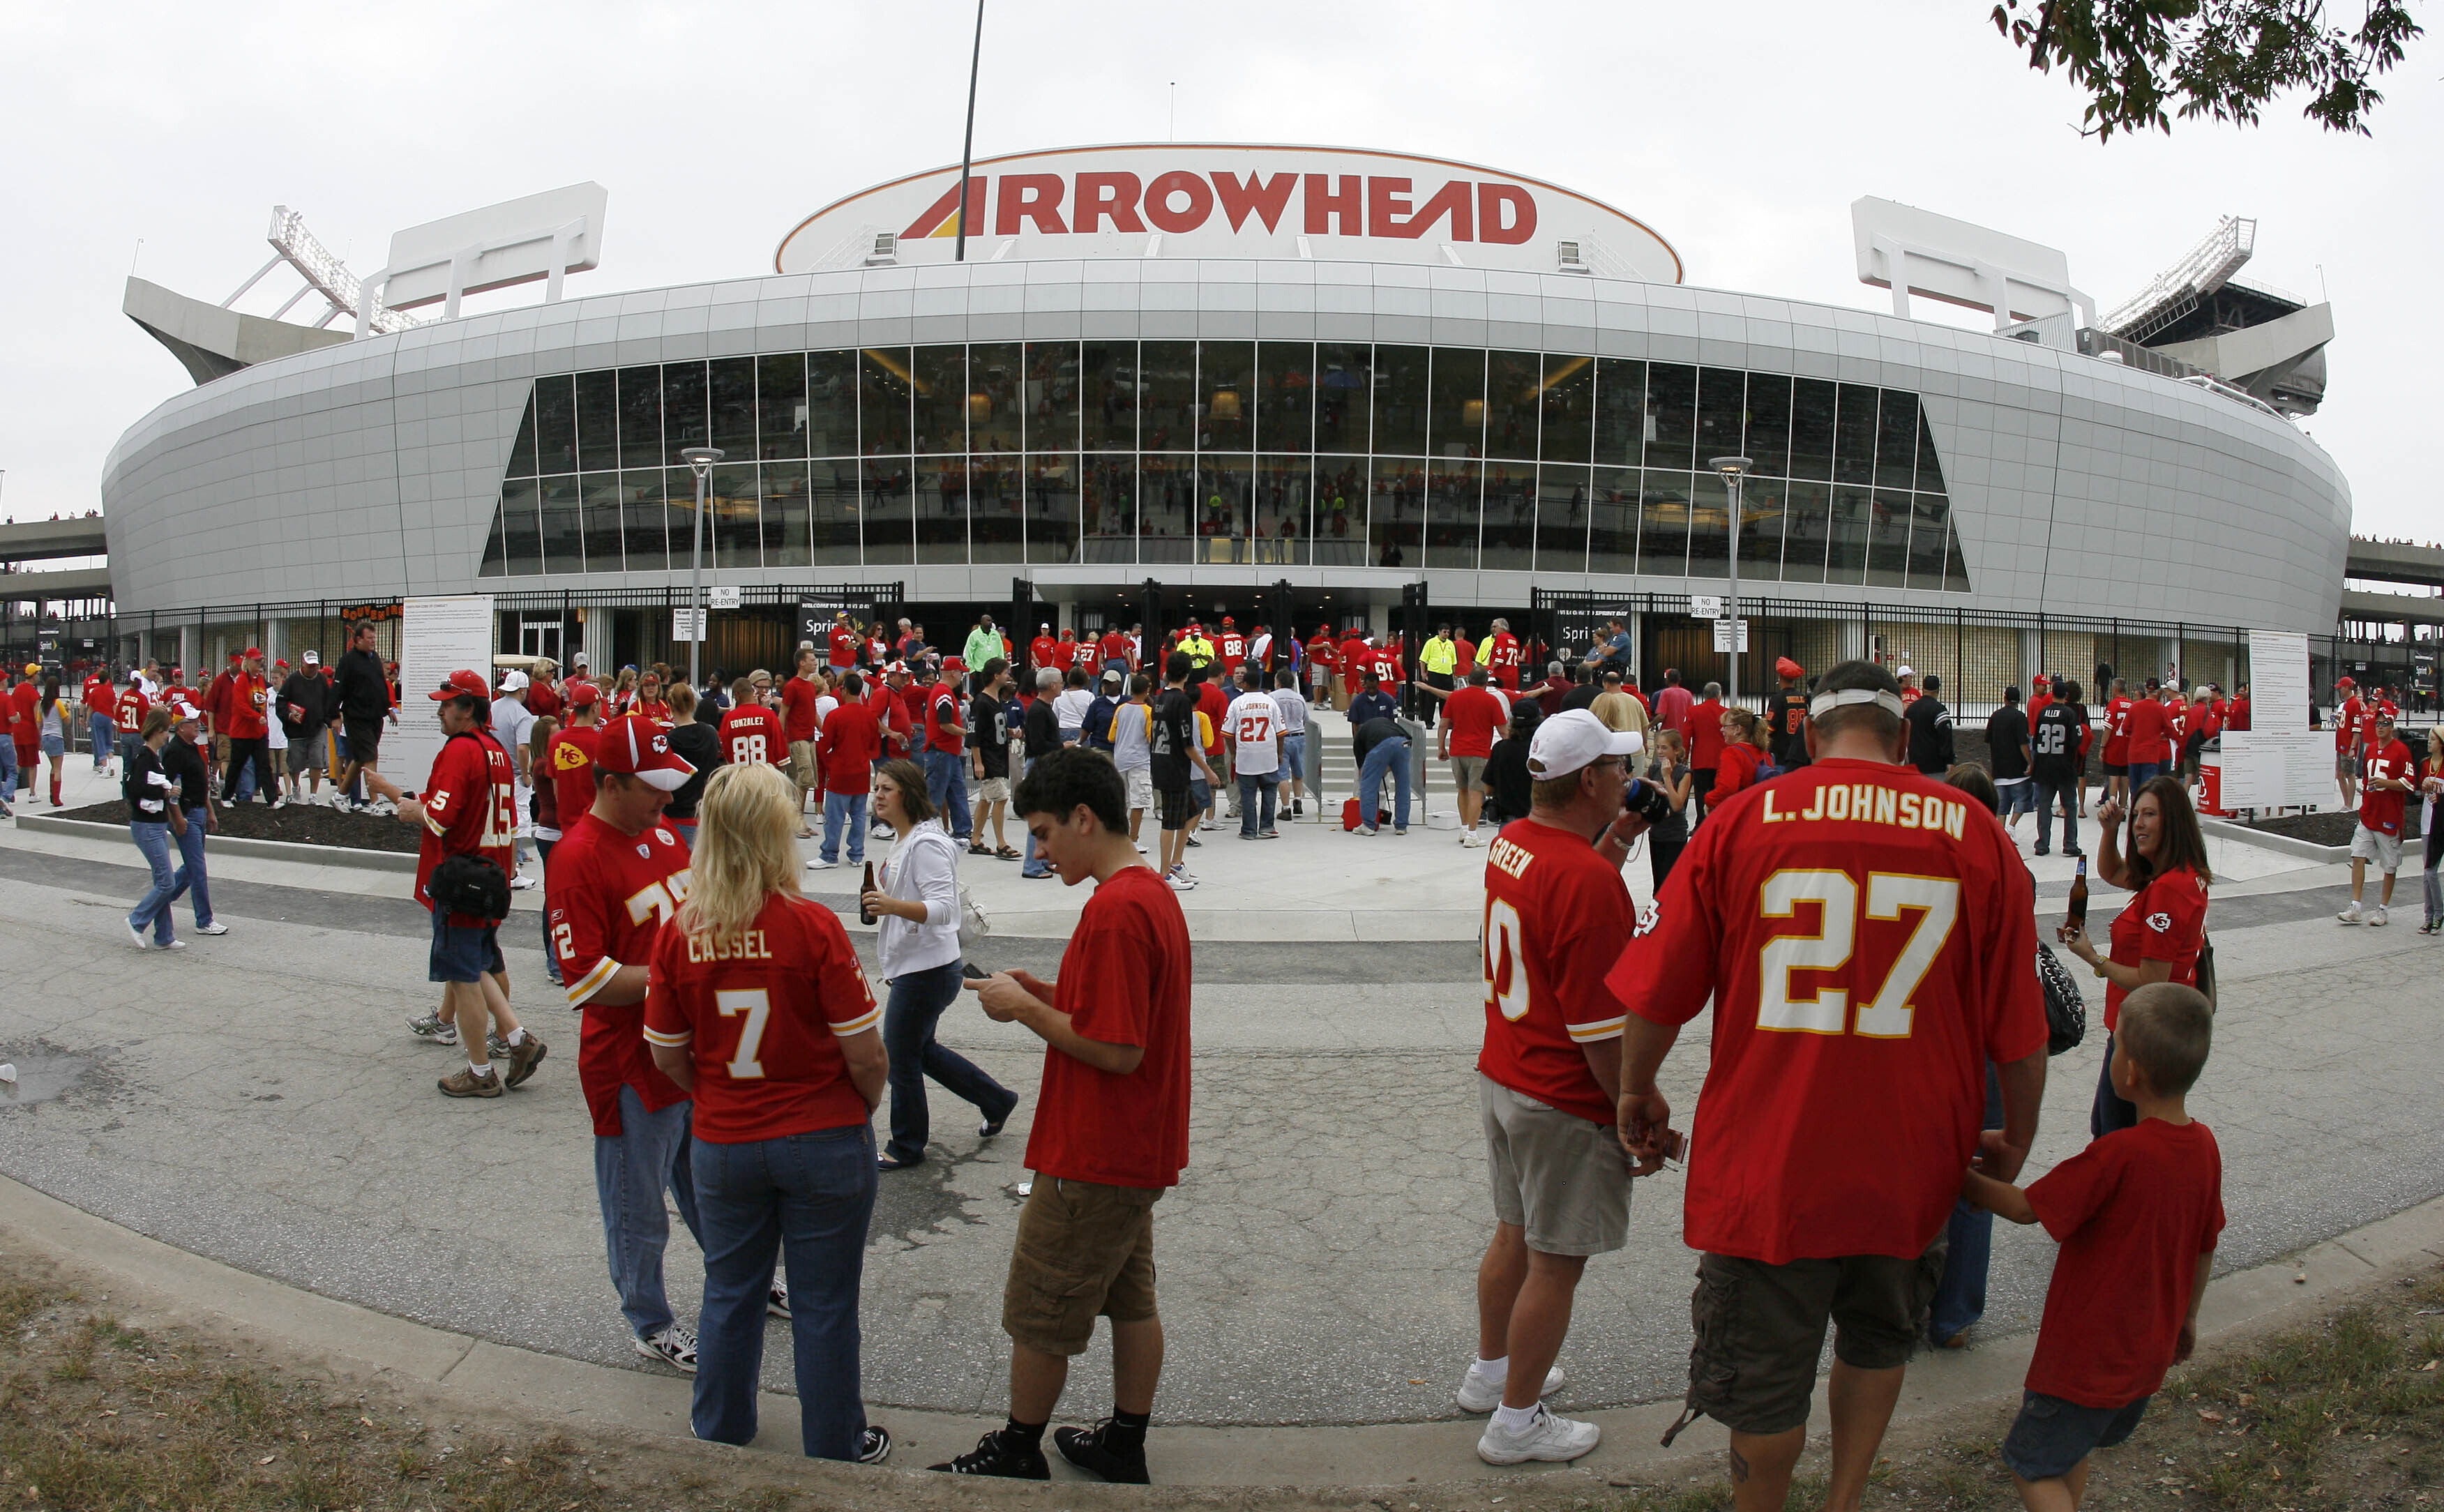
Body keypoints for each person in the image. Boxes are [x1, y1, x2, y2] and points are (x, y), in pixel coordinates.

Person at [1610, 659, 2048, 1512]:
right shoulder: (1976, 832)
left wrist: (1637, 1087)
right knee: (1880, 1338)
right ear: (1907, 739)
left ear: (1809, 734)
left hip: (1771, 1161)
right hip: (1912, 1156)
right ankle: (1845, 1498)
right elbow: (2020, 1030)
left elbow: (1658, 990)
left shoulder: (1742, 821)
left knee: (1765, 1376)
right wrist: (2017, 1135)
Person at [937, 747, 1192, 1483]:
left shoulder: (1115, 910)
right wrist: (1042, 989)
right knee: (1130, 1297)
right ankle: (1125, 1440)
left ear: (1086, 818)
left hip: (1095, 1149)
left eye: (1045, 832)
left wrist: (1024, 1010)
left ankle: (1018, 1448)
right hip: (1133, 1146)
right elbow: (1116, 1007)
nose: (1040, 849)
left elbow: (1116, 1048)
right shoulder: (1147, 890)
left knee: (1041, 1307)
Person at [641, 763, 891, 1464]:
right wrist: (858, 1108)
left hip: (725, 1137)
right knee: (824, 1302)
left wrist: (719, 1093)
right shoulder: (811, 926)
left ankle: (720, 1427)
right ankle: (834, 1442)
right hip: (822, 1134)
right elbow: (867, 1054)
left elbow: (667, 1055)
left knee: (731, 1286)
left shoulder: (680, 930)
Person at [1463, 709, 1657, 1465]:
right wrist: (1630, 1106)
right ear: (1589, 780)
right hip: (1560, 1093)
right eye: (1615, 767)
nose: (1625, 776)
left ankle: (1492, 1372)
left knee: (1514, 1230)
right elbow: (1602, 1031)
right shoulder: (1585, 881)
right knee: (1555, 1258)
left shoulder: (1516, 842)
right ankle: (1516, 1421)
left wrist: (1617, 838)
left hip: (1506, 1069)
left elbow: (1561, 897)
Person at [1963, 984, 2222, 1512]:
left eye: (2117, 1043)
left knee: (2030, 1465)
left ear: (2130, 1073)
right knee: (2067, 1452)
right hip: (2147, 1353)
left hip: (2086, 1360)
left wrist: (1950, 1173)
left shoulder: (2117, 1156)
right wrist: (2188, 1319)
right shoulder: (2204, 1147)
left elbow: (2024, 1208)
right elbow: (2204, 1245)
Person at [548, 713, 715, 1370]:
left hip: (686, 1053)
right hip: (628, 1066)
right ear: (613, 785)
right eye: (653, 787)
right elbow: (588, 980)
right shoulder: (577, 857)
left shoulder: (665, 832)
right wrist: (681, 981)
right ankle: (650, 1321)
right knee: (638, 1207)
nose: (667, 799)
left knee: (708, 1186)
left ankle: (744, 1279)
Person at [364, 670, 544, 1096]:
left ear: (468, 709)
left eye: (446, 703)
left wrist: (398, 800)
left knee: (465, 976)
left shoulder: (460, 751)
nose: (439, 710)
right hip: (491, 874)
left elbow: (437, 818)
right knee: (481, 965)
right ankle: (517, 1039)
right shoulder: (494, 750)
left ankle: (481, 1071)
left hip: (464, 879)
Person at [865, 758, 1018, 1170]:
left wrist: (891, 905)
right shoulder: (908, 837)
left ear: (908, 795)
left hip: (928, 970)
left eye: (886, 790)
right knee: (920, 1051)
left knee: (900, 1056)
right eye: (876, 788)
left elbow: (944, 910)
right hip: (919, 965)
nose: (878, 796)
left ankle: (906, 1146)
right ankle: (997, 1100)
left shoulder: (927, 843)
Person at [2057, 776, 2210, 1139]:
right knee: (2119, 1133)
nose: (2139, 823)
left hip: (2145, 1036)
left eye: (2150, 815)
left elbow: (2152, 981)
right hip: (2157, 1032)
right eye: (2137, 814)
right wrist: (2110, 831)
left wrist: (2093, 958)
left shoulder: (2169, 889)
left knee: (2115, 1138)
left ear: (2172, 820)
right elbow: (2112, 872)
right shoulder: (2176, 874)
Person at [2338, 711, 2416, 927]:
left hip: (2389, 818)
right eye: (2377, 723)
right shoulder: (2370, 749)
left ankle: (2383, 909)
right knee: (2358, 856)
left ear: (2392, 726)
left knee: (2389, 865)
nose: (2380, 727)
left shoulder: (2401, 751)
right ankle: (2356, 907)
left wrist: (2387, 784)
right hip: (2368, 814)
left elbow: (2410, 783)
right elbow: (2366, 777)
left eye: (2385, 723)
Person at [1148, 653, 1216, 891]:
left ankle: (1176, 863)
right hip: (1174, 767)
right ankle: (1165, 872)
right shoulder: (1182, 702)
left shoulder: (1159, 698)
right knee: (1170, 821)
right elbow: (1188, 743)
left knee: (1193, 810)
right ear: (1188, 674)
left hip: (1161, 761)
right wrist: (1207, 770)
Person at [157, 701, 225, 936]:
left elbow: (201, 783)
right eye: (193, 722)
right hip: (185, 815)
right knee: (197, 868)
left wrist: (210, 811)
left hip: (198, 812)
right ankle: (205, 920)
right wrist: (177, 819)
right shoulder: (174, 753)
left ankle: (159, 901)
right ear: (181, 726)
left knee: (190, 868)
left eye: (198, 721)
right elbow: (170, 791)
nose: (198, 725)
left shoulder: (193, 747)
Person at [123, 705, 186, 951]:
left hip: (155, 826)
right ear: (158, 731)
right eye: (166, 730)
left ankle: (164, 935)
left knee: (162, 880)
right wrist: (166, 791)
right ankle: (137, 921)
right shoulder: (144, 758)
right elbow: (136, 790)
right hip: (146, 826)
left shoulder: (152, 758)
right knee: (167, 883)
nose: (167, 735)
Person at [812, 673, 882, 870]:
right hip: (861, 771)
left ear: (843, 689)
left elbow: (825, 745)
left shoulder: (836, 716)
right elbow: (875, 746)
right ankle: (857, 853)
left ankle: (829, 854)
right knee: (859, 815)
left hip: (840, 772)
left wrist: (830, 766)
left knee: (835, 816)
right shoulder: (870, 716)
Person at [330, 621, 398, 812]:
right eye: (369, 638)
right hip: (357, 717)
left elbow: (379, 685)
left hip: (375, 716)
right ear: (358, 639)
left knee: (360, 758)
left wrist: (388, 708)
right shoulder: (348, 661)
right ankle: (375, 802)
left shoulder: (374, 658)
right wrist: (334, 715)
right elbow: (337, 690)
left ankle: (339, 796)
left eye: (374, 638)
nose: (373, 642)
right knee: (370, 756)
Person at [1441, 668, 1508, 847]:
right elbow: (1502, 729)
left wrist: (1441, 747)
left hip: (1457, 750)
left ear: (1469, 679)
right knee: (1477, 792)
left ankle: (1464, 829)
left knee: (1462, 790)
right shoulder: (1491, 700)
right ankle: (1472, 834)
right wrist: (1510, 747)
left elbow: (1444, 724)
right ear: (1486, 682)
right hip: (1479, 751)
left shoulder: (1455, 697)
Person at [662, 683, 724, 849]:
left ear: (671, 706)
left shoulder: (670, 740)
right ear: (693, 703)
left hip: (677, 813)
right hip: (704, 811)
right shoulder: (710, 733)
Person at [2030, 680, 2088, 859]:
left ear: (2052, 693)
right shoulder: (2069, 714)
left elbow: (2036, 739)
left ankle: (2042, 844)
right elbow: (2076, 740)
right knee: (2070, 806)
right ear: (2066, 696)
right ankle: (2070, 844)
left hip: (2045, 766)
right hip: (2064, 766)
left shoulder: (2043, 712)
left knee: (2044, 806)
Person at [1223, 665, 1281, 840]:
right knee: (1270, 790)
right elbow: (1281, 732)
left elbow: (1227, 733)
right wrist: (1280, 753)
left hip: (1246, 755)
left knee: (1248, 793)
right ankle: (1267, 827)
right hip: (1268, 754)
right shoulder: (1270, 702)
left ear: (1246, 684)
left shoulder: (1237, 703)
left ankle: (1249, 830)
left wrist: (1233, 753)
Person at [1020, 668, 1066, 878]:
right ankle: (1032, 865)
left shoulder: (1044, 708)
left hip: (1044, 763)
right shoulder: (1038, 711)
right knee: (1039, 816)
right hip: (1039, 765)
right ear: (1052, 686)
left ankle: (1044, 860)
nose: (1063, 685)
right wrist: (1061, 747)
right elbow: (1038, 744)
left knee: (1048, 815)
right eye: (1060, 682)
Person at [1638, 727, 1694, 892]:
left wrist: (1667, 777)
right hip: (1656, 831)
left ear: (1676, 750)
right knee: (1658, 882)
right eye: (1658, 747)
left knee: (1671, 883)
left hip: (1675, 834)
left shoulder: (1684, 773)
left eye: (1665, 748)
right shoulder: (1654, 770)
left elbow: (1677, 805)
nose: (1660, 751)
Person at [923, 660, 973, 843]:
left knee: (957, 791)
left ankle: (963, 831)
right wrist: (967, 734)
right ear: (953, 673)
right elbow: (945, 724)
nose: (962, 677)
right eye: (961, 673)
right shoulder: (943, 694)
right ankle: (924, 829)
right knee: (935, 793)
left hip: (947, 752)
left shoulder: (943, 692)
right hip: (941, 751)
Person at [1108, 673, 1156, 851]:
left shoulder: (1121, 709)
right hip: (1139, 759)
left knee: (1124, 800)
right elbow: (1151, 738)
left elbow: (1112, 736)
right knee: (1139, 800)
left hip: (1121, 757)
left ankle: (1119, 836)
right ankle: (1133, 838)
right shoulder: (1148, 712)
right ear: (1147, 690)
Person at [278, 652, 331, 806]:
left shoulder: (321, 679)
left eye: (315, 665)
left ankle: (313, 794)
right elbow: (281, 703)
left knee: (317, 760)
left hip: (317, 727)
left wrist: (331, 719)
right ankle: (295, 788)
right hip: (296, 729)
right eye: (310, 666)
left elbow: (328, 701)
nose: (313, 669)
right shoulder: (292, 681)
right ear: (303, 664)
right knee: (296, 763)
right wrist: (289, 715)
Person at [1481, 701, 1540, 829]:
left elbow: (1488, 789)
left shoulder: (1500, 748)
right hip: (1538, 821)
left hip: (1509, 823)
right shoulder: (1542, 749)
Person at [1354, 706, 1412, 836]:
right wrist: (1386, 768)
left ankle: (1368, 825)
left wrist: (1377, 771)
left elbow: (1362, 772)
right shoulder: (1387, 724)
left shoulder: (1359, 738)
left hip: (1380, 745)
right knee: (1403, 786)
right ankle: (1402, 826)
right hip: (1404, 743)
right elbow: (1400, 743)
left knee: (1368, 786)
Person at [1986, 687, 2035, 838]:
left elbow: (1988, 740)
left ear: (2005, 698)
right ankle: (2011, 826)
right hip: (2018, 770)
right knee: (2022, 800)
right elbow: (2023, 743)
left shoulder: (1995, 716)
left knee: (2002, 806)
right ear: (2019, 700)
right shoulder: (2020, 717)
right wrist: (2030, 762)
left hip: (2000, 769)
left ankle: (2001, 833)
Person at [1271, 667, 1310, 821]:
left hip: (1282, 738)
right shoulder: (1299, 698)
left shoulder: (1273, 697)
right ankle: (1298, 799)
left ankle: (1286, 807)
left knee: (1282, 774)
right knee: (1298, 771)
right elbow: (1306, 718)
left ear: (1278, 682)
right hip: (1299, 735)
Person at [1684, 681, 1726, 819]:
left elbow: (1686, 736)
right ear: (1719, 696)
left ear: (1704, 696)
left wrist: (1684, 757)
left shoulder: (1693, 712)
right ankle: (1717, 820)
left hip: (1700, 760)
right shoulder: (1726, 713)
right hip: (1721, 761)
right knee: (1718, 793)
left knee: (1700, 793)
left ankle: (1700, 822)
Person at [1709, 707, 1768, 804]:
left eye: (1725, 726)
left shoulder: (1732, 753)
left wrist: (1709, 800)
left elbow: (1728, 788)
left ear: (1738, 729)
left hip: (1740, 808)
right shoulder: (1764, 752)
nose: (1721, 730)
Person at [1905, 672, 1954, 777]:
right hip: (1935, 766)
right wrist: (1949, 761)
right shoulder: (1939, 710)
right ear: (1937, 690)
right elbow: (1945, 736)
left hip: (1914, 765)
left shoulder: (1911, 709)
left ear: (1923, 689)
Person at [33, 673, 70, 809]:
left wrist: (40, 740)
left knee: (53, 767)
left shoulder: (43, 705)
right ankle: (56, 798)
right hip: (56, 737)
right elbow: (67, 721)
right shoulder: (58, 703)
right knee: (58, 768)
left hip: (46, 737)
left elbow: (39, 723)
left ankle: (52, 794)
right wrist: (69, 710)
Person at [1767, 658, 1811, 771]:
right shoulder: (1802, 698)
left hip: (1781, 753)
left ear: (1780, 678)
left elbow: (1770, 727)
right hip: (1799, 751)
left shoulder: (1778, 699)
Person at [2332, 676, 2364, 808]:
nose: (2340, 691)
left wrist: (2352, 747)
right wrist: (2339, 718)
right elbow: (2348, 722)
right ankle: (2346, 803)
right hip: (2341, 744)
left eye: (2341, 688)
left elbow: (2357, 729)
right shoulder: (2347, 704)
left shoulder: (2354, 704)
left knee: (2349, 774)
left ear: (2347, 688)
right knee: (2340, 774)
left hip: (2347, 745)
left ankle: (2349, 805)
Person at [81, 665, 115, 776]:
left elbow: (89, 706)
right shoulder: (110, 690)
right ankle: (112, 765)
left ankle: (103, 766)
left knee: (99, 741)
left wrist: (86, 719)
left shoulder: (94, 689)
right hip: (109, 716)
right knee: (109, 741)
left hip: (97, 716)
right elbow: (114, 705)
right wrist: (116, 719)